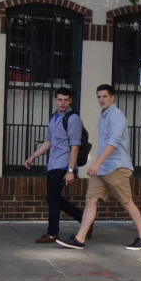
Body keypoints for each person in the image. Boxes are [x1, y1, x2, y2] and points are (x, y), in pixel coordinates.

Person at [56, 84, 141, 250]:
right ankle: (80, 239)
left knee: (127, 202)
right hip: (102, 168)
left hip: (116, 167)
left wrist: (96, 163)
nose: (101, 99)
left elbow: (113, 143)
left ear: (112, 97)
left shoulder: (116, 116)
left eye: (105, 96)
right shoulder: (104, 115)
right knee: (91, 200)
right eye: (99, 96)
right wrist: (98, 165)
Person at [23, 86, 88, 243]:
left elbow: (75, 146)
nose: (63, 103)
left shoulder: (73, 119)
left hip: (64, 165)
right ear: (55, 100)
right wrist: (33, 157)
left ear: (70, 100)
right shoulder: (54, 117)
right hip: (53, 163)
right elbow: (49, 142)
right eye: (60, 99)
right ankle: (85, 219)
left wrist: (71, 170)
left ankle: (52, 233)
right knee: (53, 197)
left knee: (52, 198)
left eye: (66, 100)